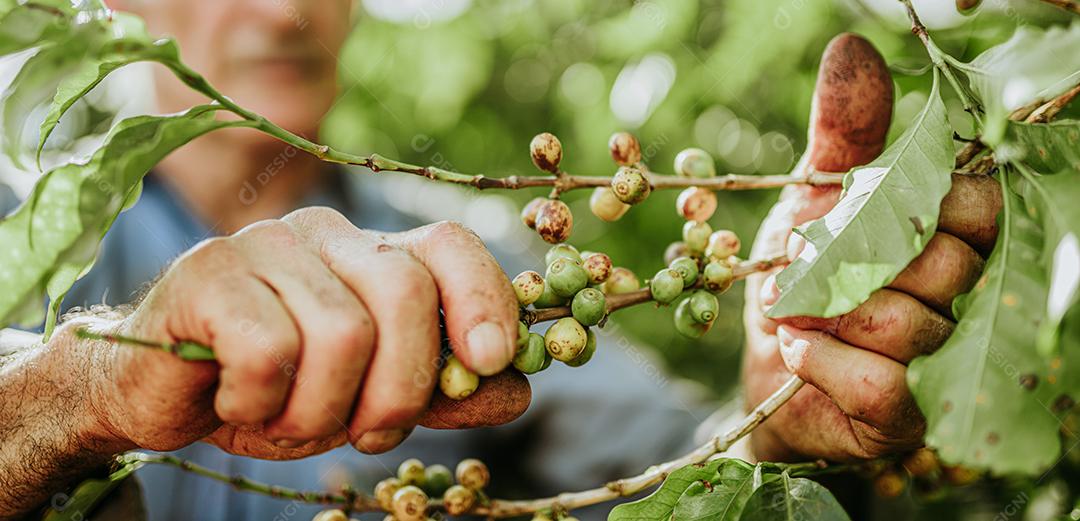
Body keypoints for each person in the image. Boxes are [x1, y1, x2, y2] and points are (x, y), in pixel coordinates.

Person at [0, 2, 702, 519]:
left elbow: (677, 467)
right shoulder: (18, 232)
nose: (284, 14)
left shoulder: (467, 258)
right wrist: (85, 388)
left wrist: (779, 427)